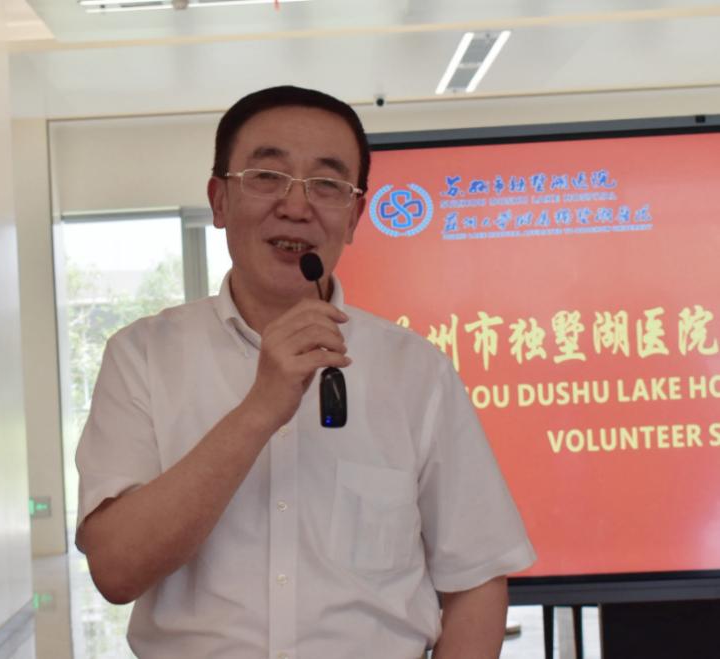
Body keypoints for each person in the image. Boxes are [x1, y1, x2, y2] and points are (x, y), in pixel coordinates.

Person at [75, 85, 536, 659]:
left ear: (355, 217)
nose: (296, 207)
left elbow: (476, 580)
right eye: (267, 177)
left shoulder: (417, 372)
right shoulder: (142, 356)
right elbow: (116, 571)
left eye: (327, 184)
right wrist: (260, 408)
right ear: (219, 201)